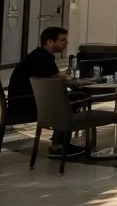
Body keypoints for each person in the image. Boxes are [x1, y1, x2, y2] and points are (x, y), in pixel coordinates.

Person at [7, 26, 85, 156]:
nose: (66, 43)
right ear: (50, 42)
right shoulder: (43, 58)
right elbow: (57, 80)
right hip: (26, 105)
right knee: (73, 100)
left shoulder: (40, 55)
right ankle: (58, 145)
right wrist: (80, 82)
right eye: (63, 40)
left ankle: (59, 141)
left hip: (23, 101)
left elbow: (52, 77)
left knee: (69, 98)